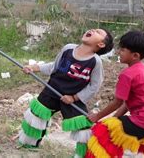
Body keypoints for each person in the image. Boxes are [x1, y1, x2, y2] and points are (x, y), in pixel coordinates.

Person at [19, 28, 113, 157]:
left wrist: (74, 98)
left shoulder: (95, 62)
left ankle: (82, 155)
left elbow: (94, 85)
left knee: (83, 128)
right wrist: (34, 68)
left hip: (71, 99)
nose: (92, 30)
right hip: (52, 91)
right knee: (36, 115)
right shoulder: (68, 49)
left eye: (98, 32)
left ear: (101, 44)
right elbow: (54, 67)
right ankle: (29, 145)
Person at [86, 31, 144, 157]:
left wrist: (97, 116)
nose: (119, 52)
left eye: (122, 50)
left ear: (135, 55)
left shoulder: (127, 74)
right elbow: (127, 103)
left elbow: (117, 102)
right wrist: (114, 119)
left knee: (104, 130)